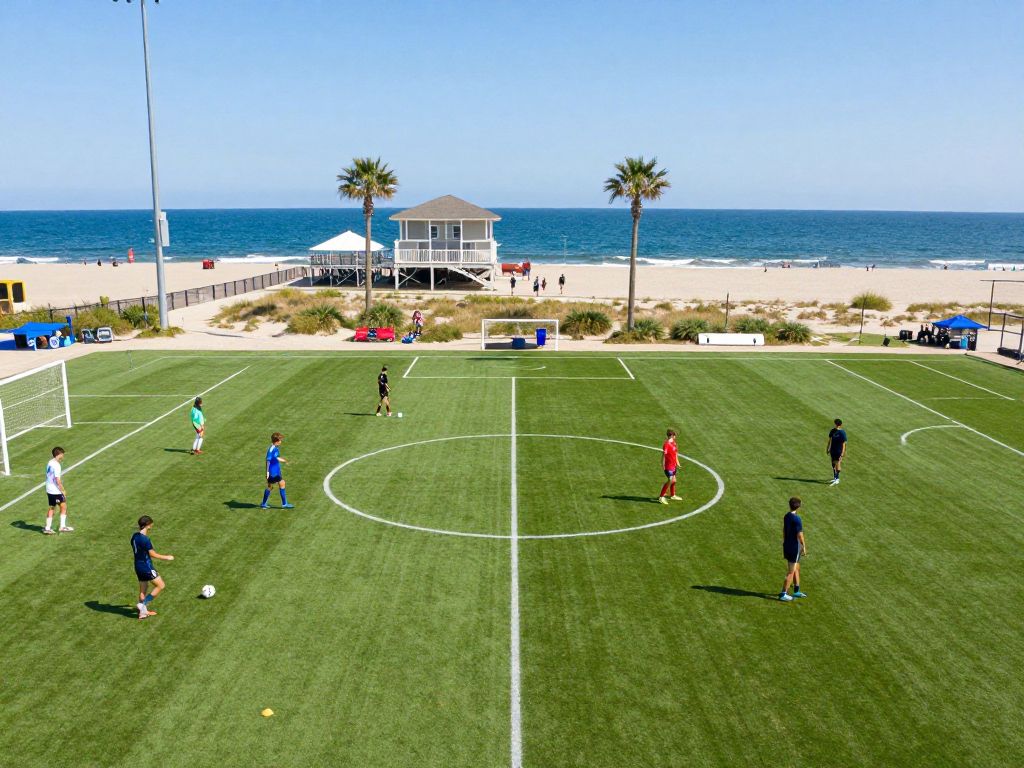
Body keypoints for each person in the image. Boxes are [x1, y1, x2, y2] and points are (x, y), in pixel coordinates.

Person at [132, 515, 174, 620]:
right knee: (161, 585)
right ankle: (143, 605)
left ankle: (142, 613)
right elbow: (152, 554)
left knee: (143, 589)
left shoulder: (134, 536)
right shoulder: (145, 540)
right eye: (151, 523)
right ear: (147, 525)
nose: (152, 524)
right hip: (146, 567)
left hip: (138, 566)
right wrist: (166, 557)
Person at [779, 497, 807, 602]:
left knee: (796, 567)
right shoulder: (797, 519)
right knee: (790, 572)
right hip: (794, 547)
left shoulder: (787, 516)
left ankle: (796, 590)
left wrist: (785, 541)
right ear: (799, 507)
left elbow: (784, 530)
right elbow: (800, 535)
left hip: (787, 545)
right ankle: (783, 594)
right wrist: (804, 546)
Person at [43, 446, 72, 535]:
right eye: (62, 454)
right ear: (59, 454)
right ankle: (62, 527)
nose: (63, 456)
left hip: (48, 488)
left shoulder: (50, 462)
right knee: (63, 507)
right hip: (55, 490)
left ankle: (47, 528)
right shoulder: (57, 465)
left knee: (52, 507)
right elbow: (57, 480)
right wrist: (62, 490)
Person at [261, 432, 293, 509]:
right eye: (280, 440)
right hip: (273, 472)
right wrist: (267, 472)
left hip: (274, 471)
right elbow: (268, 460)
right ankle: (284, 504)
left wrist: (285, 461)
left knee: (270, 487)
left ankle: (264, 504)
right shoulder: (272, 449)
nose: (281, 441)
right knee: (282, 483)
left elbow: (277, 458)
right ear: (277, 440)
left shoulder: (275, 448)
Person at [657, 429, 682, 504]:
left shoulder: (674, 443)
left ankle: (672, 495)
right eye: (674, 435)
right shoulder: (666, 444)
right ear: (671, 435)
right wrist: (662, 464)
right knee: (670, 480)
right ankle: (661, 497)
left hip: (673, 466)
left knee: (674, 481)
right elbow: (664, 455)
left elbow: (675, 453)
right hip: (668, 467)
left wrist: (678, 463)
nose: (675, 436)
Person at [827, 418, 847, 485]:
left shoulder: (842, 432)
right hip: (833, 450)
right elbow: (830, 440)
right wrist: (828, 448)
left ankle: (837, 478)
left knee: (838, 464)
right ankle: (835, 478)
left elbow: (844, 443)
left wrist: (842, 452)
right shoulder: (832, 431)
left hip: (839, 450)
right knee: (833, 464)